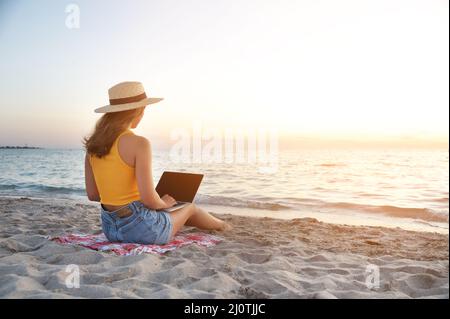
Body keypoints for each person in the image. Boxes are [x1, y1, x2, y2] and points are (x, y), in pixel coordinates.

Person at [83, 81, 231, 245]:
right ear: (139, 110)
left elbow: (93, 195)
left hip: (111, 229)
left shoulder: (93, 147)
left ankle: (202, 221)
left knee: (171, 211)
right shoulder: (139, 143)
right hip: (143, 230)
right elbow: (149, 200)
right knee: (189, 208)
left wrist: (124, 199)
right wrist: (163, 203)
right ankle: (224, 226)